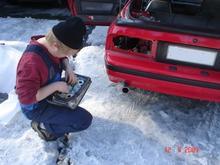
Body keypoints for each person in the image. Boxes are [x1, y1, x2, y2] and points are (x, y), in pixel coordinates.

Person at [16, 16, 93, 142]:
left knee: (77, 87)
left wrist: (67, 67)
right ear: (56, 45)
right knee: (84, 120)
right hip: (36, 106)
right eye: (66, 54)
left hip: (49, 89)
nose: (67, 57)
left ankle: (54, 116)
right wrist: (56, 86)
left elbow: (59, 56)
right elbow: (26, 98)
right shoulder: (30, 64)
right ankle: (44, 127)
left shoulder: (50, 44)